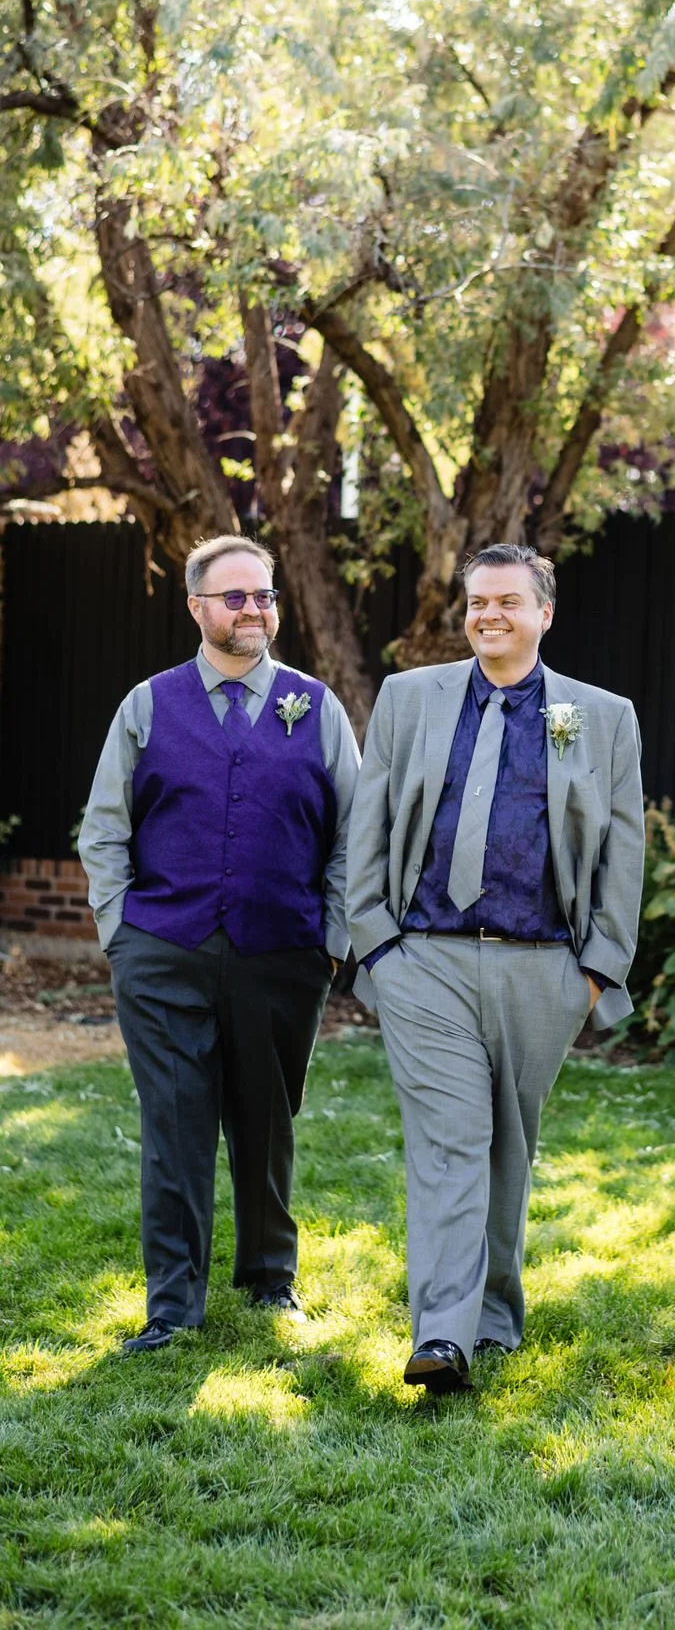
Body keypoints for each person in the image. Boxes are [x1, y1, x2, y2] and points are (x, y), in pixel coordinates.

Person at [346, 543, 644, 1394]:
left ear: (544, 614)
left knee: (508, 1146)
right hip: (424, 959)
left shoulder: (601, 715)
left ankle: (495, 1315)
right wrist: (377, 944)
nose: (488, 616)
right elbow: (367, 823)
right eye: (477, 602)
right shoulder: (409, 698)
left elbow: (624, 850)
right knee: (452, 1143)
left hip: (543, 967)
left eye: (508, 602)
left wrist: (594, 970)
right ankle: (442, 1335)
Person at [78, 535, 360, 1353]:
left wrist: (331, 940)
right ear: (197, 606)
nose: (252, 610)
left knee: (267, 1123)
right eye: (234, 596)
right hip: (164, 951)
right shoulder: (147, 705)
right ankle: (172, 1305)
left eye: (263, 596)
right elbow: (105, 829)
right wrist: (119, 935)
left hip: (283, 953)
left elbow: (353, 834)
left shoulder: (317, 706)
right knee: (175, 1126)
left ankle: (271, 1278)